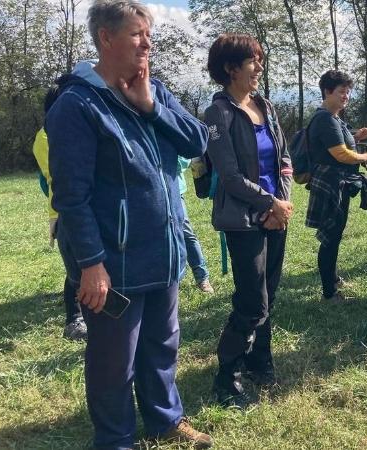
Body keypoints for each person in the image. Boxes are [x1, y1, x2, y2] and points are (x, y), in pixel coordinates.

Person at [45, 1, 212, 448]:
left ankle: (165, 420)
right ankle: (115, 438)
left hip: (165, 249)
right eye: (138, 33)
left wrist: (152, 106)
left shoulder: (153, 87)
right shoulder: (76, 105)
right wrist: (91, 263)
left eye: (148, 33)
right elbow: (71, 197)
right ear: (106, 38)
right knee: (113, 360)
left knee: (162, 344)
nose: (147, 42)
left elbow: (197, 140)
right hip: (114, 261)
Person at [203, 32, 294, 408]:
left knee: (268, 296)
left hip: (276, 215)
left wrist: (282, 204)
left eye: (259, 59)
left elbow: (285, 160)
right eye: (252, 61)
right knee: (251, 302)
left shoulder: (267, 107)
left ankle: (260, 362)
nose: (259, 67)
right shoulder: (216, 114)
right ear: (230, 68)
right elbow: (229, 176)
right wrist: (269, 203)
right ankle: (227, 378)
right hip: (243, 220)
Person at [305, 70, 367, 302]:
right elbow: (340, 154)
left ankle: (332, 279)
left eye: (348, 92)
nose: (346, 96)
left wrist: (357, 137)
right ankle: (329, 292)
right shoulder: (325, 118)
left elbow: (337, 144)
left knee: (334, 232)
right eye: (341, 92)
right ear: (327, 92)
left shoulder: (332, 118)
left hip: (337, 183)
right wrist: (365, 157)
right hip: (331, 184)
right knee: (331, 236)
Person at [32, 80, 87, 341]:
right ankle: (74, 319)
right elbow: (59, 174)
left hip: (82, 206)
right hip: (65, 209)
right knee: (75, 270)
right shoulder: (45, 136)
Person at [177, 156, 214, 294]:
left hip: (173, 188)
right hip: (147, 190)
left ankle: (202, 277)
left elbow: (185, 159)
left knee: (186, 232)